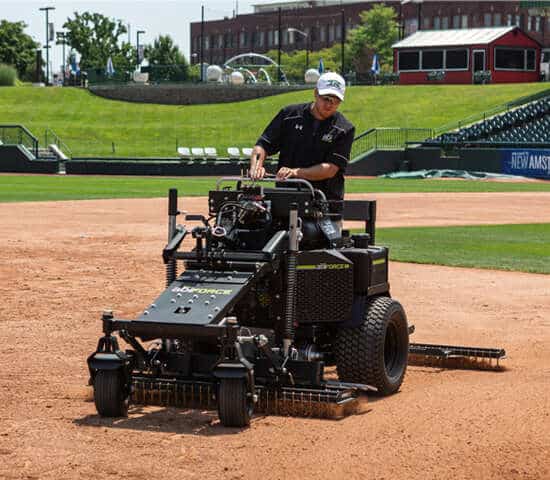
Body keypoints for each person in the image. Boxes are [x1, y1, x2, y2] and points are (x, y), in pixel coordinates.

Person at [249, 72, 355, 211]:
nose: (330, 105)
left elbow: (330, 169)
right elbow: (263, 145)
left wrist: (295, 172)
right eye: (326, 98)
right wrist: (256, 166)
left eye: (336, 101)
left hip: (325, 202)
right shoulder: (289, 114)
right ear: (316, 93)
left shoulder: (344, 128)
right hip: (286, 197)